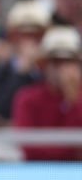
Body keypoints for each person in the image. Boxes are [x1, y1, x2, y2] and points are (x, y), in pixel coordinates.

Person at [12, 25, 82, 160]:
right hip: (38, 176)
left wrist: (73, 100)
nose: (62, 68)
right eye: (55, 62)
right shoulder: (27, 99)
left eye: (68, 61)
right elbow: (29, 148)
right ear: (44, 65)